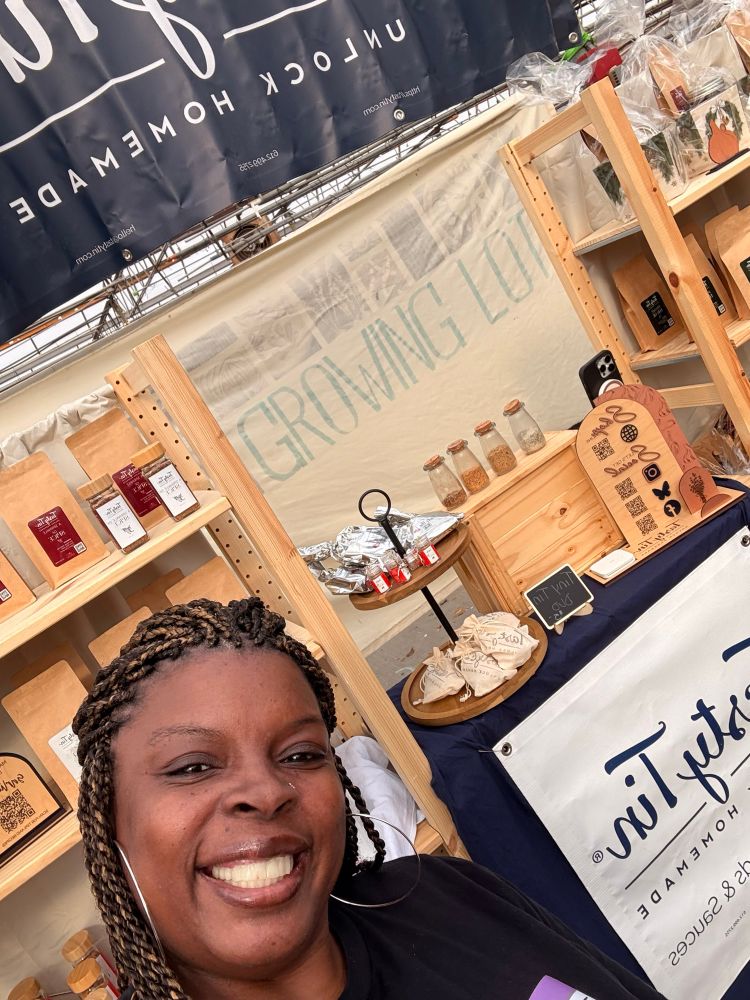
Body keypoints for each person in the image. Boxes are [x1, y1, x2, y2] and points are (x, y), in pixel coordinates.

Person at [73, 597, 664, 1000]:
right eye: (194, 766)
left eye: (301, 755)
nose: (265, 791)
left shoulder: (441, 894)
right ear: (110, 826)